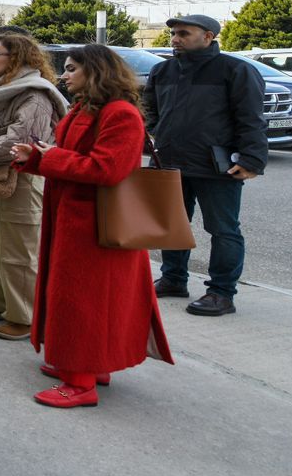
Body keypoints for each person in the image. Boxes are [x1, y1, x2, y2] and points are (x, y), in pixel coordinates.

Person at [13, 44, 174, 408]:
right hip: (76, 220)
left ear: (96, 71)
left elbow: (107, 169)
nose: (64, 75)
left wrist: (51, 158)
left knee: (84, 302)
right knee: (78, 299)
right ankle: (87, 365)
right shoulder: (86, 107)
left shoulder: (120, 114)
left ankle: (80, 383)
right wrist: (36, 158)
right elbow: (74, 159)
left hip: (97, 227)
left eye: (72, 68)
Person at [142, 14, 267, 316]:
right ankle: (173, 279)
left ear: (208, 36)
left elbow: (251, 118)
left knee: (223, 230)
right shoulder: (162, 70)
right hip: (170, 163)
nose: (175, 39)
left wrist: (252, 160)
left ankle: (222, 293)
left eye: (183, 33)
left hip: (216, 167)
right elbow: (149, 110)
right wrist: (159, 134)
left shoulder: (235, 70)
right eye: (173, 33)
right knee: (173, 225)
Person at [0, 32, 68, 341]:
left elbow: (21, 140)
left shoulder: (35, 94)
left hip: (22, 178)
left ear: (16, 59)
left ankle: (24, 317)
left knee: (18, 250)